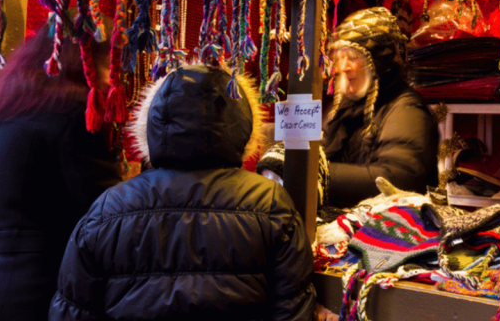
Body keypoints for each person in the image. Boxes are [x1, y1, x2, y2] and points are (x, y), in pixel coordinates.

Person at [49, 64, 317, 320]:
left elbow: (73, 310)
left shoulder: (110, 208)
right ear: (241, 123)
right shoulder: (270, 203)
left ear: (153, 123)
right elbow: (292, 308)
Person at [0, 19, 122, 321]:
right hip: (40, 292)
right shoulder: (71, 117)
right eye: (107, 65)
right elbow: (103, 218)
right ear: (84, 62)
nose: (111, 78)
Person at [258, 7, 439, 211]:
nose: (343, 67)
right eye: (340, 56)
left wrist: (312, 171)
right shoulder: (345, 107)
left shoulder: (406, 110)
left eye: (353, 57)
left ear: (377, 62)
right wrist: (291, 158)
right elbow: (321, 150)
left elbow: (396, 178)